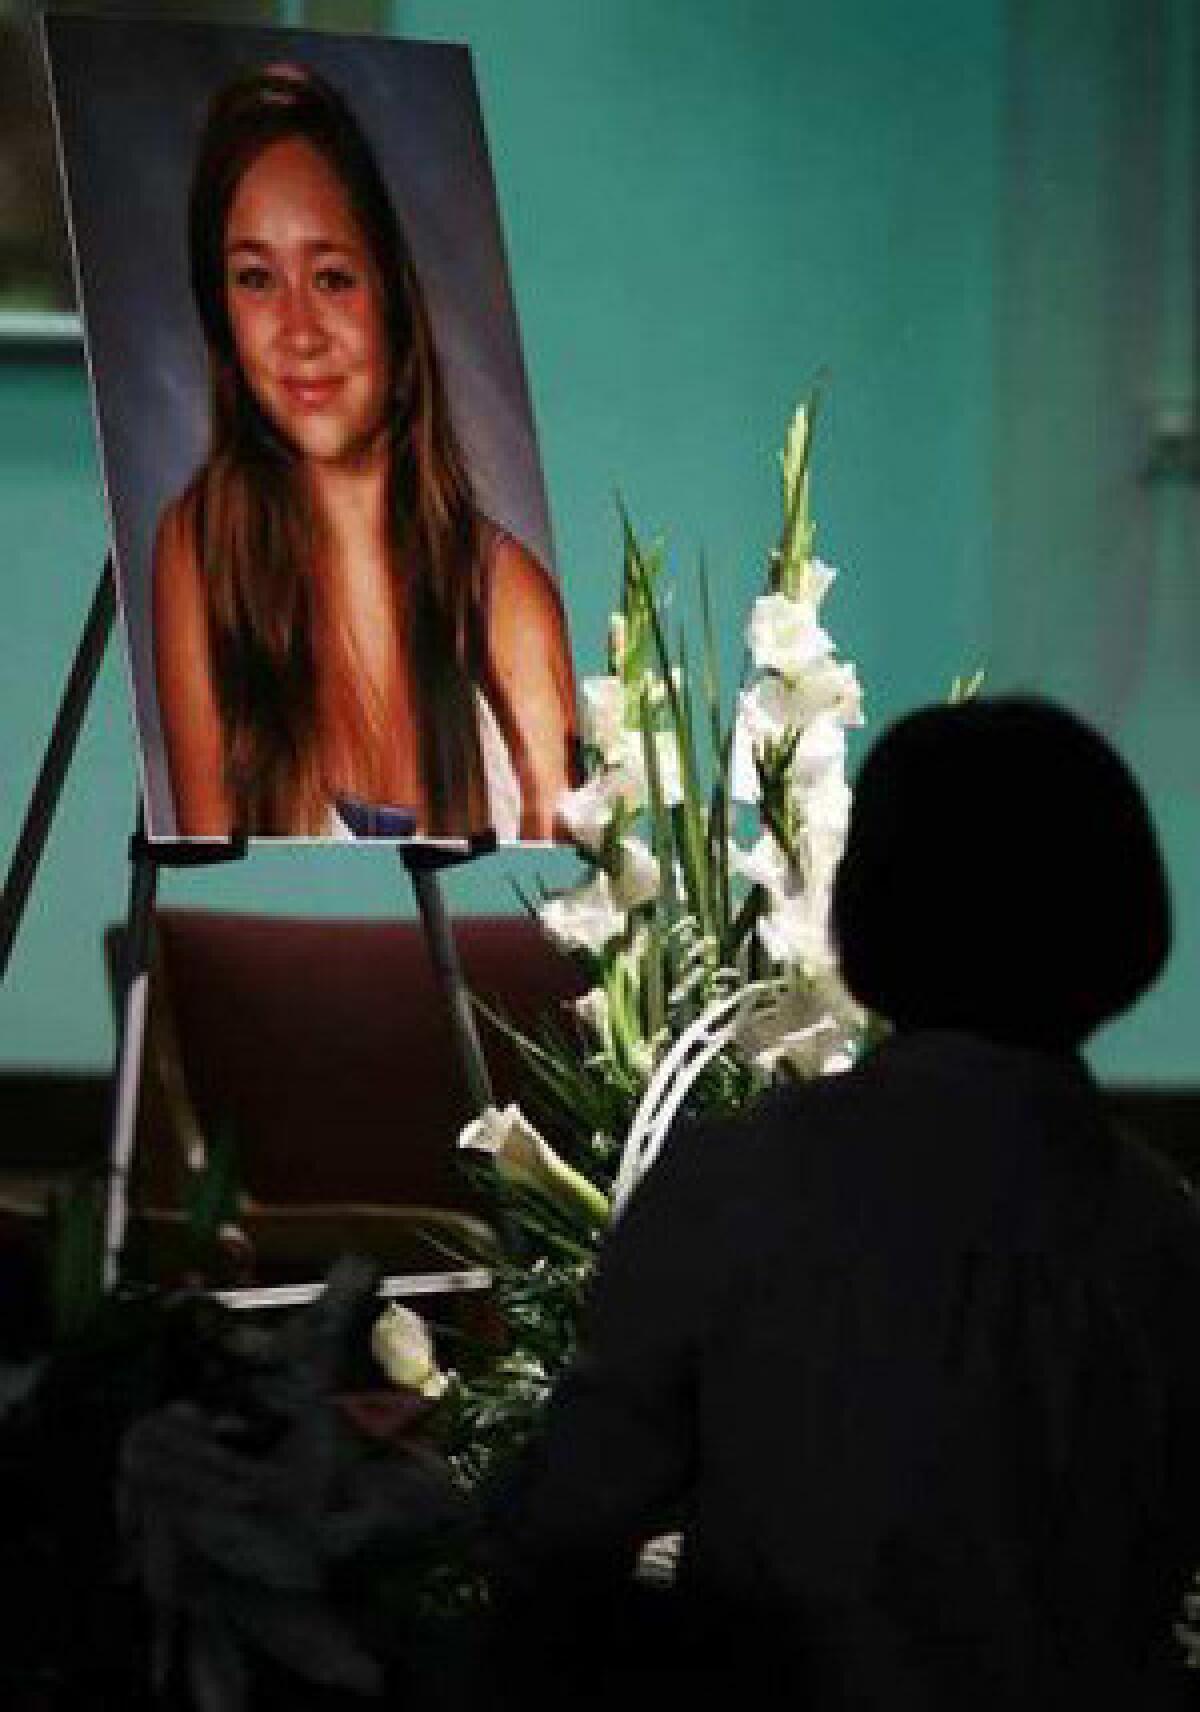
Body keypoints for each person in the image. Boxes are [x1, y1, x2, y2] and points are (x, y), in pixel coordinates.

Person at [490, 697, 1200, 1710]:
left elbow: (567, 1529)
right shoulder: (1163, 1236)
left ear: (867, 904)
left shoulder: (728, 1186)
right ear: (1125, 924)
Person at [154, 65, 576, 839]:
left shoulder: (508, 596)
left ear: (392, 296)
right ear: (221, 315)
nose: (300, 330)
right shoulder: (201, 551)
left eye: (333, 278)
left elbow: (564, 925)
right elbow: (218, 902)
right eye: (255, 279)